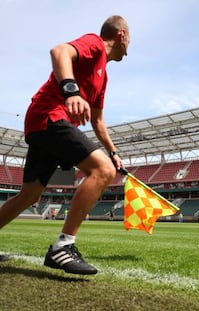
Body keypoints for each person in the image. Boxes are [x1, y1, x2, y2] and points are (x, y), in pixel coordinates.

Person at [0, 15, 129, 275]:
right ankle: (63, 246)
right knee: (102, 171)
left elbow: (98, 121)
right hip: (49, 115)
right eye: (129, 42)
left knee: (30, 195)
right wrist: (71, 91)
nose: (128, 50)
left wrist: (113, 152)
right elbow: (59, 51)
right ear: (121, 36)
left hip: (43, 122)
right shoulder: (94, 43)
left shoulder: (102, 78)